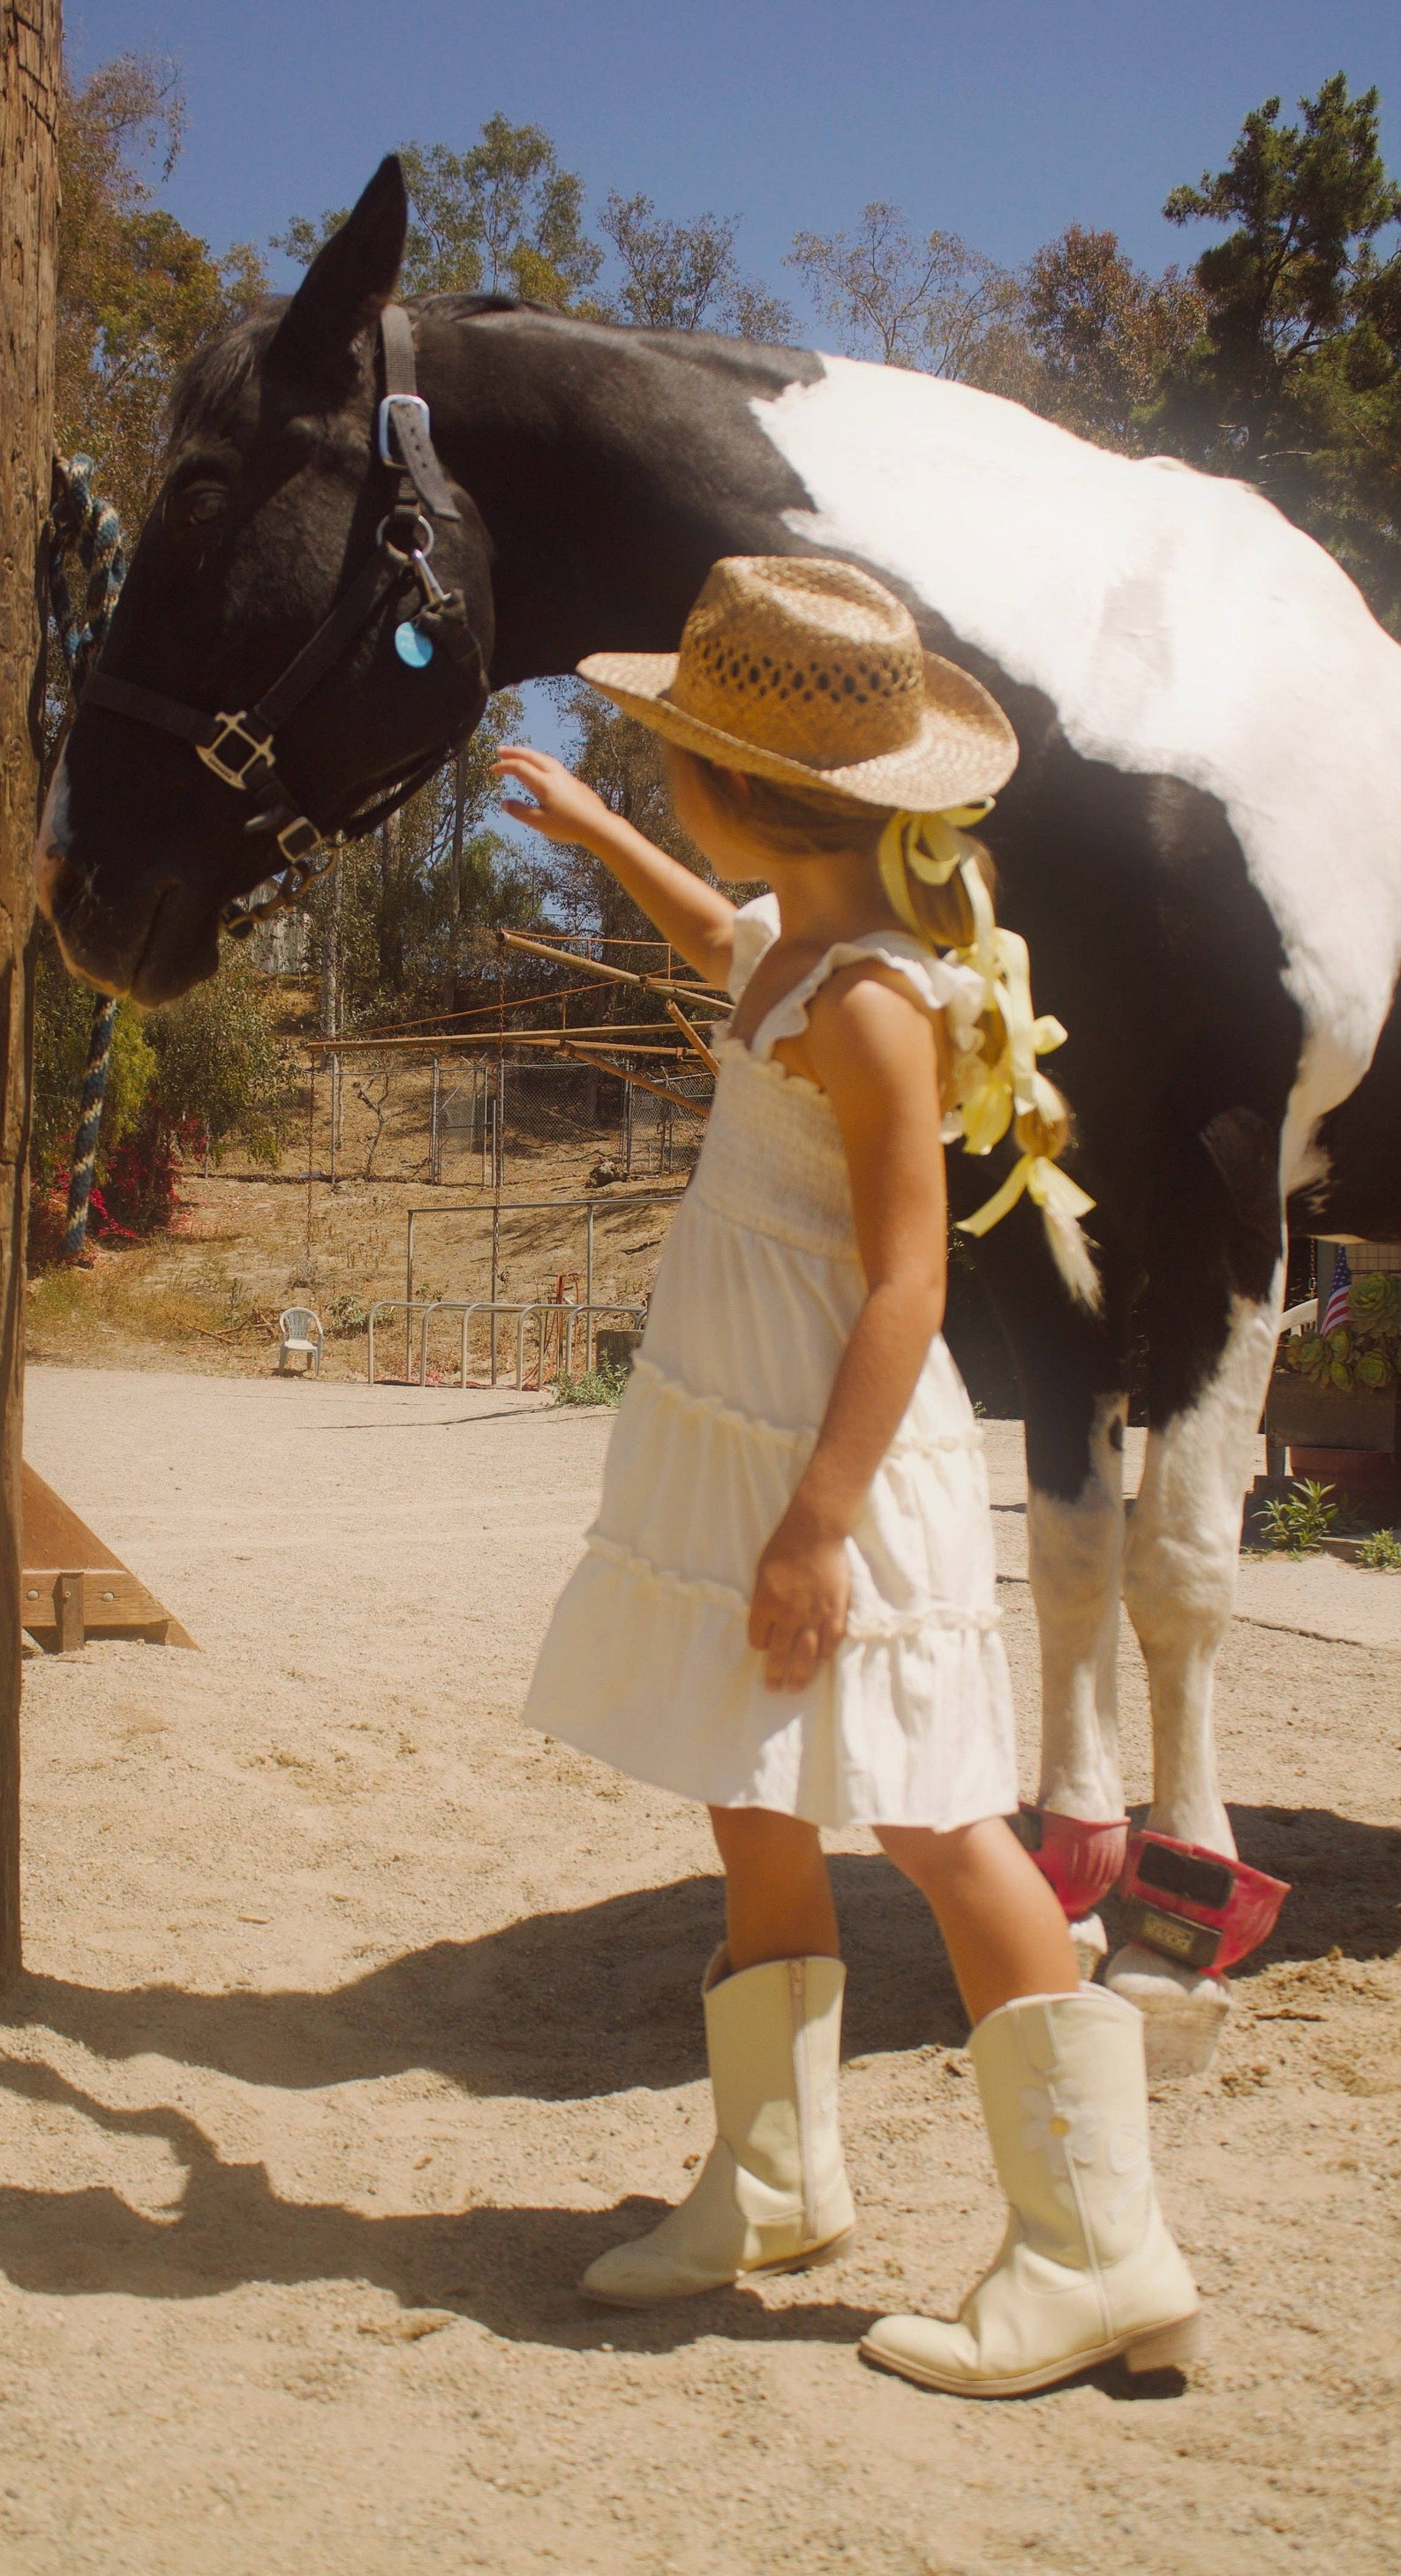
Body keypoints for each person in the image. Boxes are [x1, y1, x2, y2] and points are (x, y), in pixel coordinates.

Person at [493, 557, 1201, 2398]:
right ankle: (777, 2174)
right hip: (735, 1439)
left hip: (828, 1468)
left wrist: (814, 1522)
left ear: (729, 784)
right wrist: (577, 821)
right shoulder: (792, 943)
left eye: (654, 762)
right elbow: (712, 939)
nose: (653, 786)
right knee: (746, 1780)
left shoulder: (877, 998)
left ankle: (1096, 2243)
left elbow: (910, 1279)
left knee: (939, 1815)